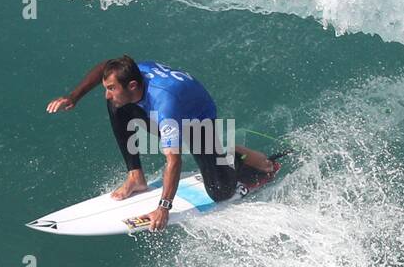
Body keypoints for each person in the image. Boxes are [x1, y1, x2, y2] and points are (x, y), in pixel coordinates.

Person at [45, 56, 276, 231]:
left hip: (196, 119)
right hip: (166, 107)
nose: (107, 93)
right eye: (108, 87)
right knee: (116, 105)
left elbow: (173, 161)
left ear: (133, 86)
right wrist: (74, 97)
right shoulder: (131, 73)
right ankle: (135, 176)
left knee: (221, 192)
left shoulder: (165, 106)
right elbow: (105, 66)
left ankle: (233, 154)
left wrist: (164, 207)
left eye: (111, 88)